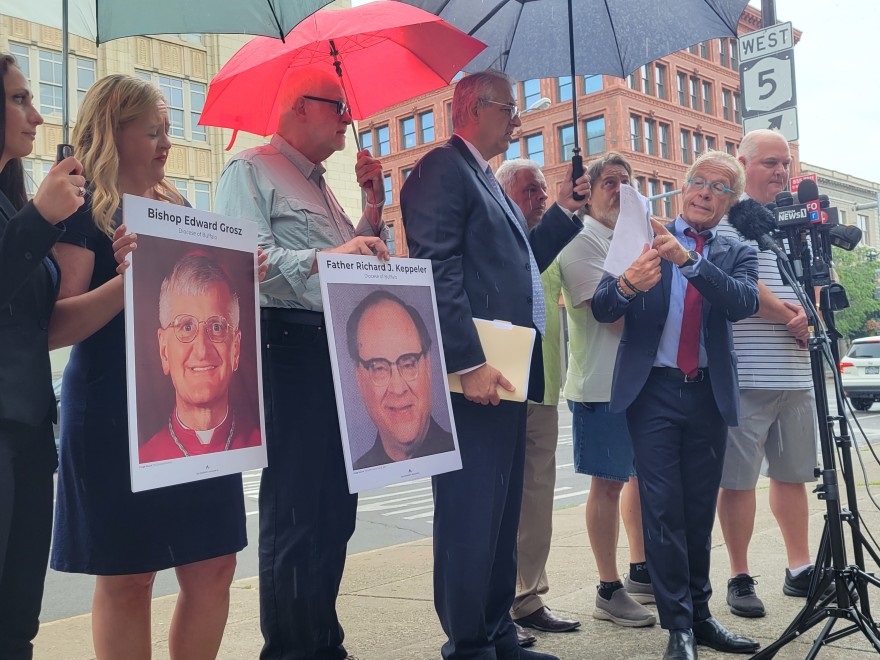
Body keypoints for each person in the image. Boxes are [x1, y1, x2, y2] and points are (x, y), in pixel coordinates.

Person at [50, 74, 248, 660]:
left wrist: (240, 276)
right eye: (153, 131)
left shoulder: (180, 206)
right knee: (128, 575)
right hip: (112, 410)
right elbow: (57, 326)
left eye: (168, 131)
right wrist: (126, 283)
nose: (167, 144)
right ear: (114, 133)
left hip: (197, 409)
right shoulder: (79, 210)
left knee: (214, 563)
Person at [401, 69, 589, 660]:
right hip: (474, 377)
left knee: (500, 511)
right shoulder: (441, 170)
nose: (518, 119)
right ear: (473, 107)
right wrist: (468, 362)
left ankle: (496, 629)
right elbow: (439, 270)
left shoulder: (481, 176)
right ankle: (468, 640)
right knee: (470, 512)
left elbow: (519, 264)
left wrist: (561, 210)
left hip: (507, 373)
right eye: (510, 107)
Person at [213, 64, 389, 660]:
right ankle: (290, 648)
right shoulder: (250, 169)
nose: (347, 118)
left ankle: (322, 639)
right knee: (296, 509)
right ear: (298, 108)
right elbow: (245, 261)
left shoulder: (321, 185)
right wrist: (331, 254)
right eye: (336, 106)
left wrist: (370, 214)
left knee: (337, 507)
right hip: (287, 346)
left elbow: (343, 262)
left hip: (336, 348)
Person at [592, 150, 761, 660]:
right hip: (655, 393)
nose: (705, 191)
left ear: (730, 201)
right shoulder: (641, 235)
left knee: (695, 509)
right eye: (698, 181)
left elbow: (743, 302)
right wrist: (626, 284)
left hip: (707, 393)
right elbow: (603, 305)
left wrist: (688, 260)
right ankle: (679, 627)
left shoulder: (738, 249)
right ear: (683, 188)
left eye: (719, 186)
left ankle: (702, 616)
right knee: (662, 510)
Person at [0, 52, 86, 660]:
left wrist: (128, 279)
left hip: (30, 431)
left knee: (17, 624)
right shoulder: (25, 215)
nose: (36, 115)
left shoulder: (14, 202)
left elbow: (43, 323)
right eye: (18, 99)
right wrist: (38, 220)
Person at [715, 128, 821, 618]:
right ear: (743, 164)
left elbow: (815, 282)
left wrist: (811, 316)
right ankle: (739, 574)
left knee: (792, 475)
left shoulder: (792, 223)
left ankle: (799, 568)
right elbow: (743, 285)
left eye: (785, 163)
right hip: (747, 372)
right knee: (737, 481)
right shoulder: (726, 225)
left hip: (797, 374)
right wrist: (791, 317)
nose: (780, 172)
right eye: (770, 162)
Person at [556, 153, 656, 628]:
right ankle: (607, 586)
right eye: (609, 182)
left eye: (627, 182)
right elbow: (610, 313)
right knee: (608, 483)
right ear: (589, 192)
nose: (619, 189)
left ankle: (640, 570)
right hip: (601, 384)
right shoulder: (578, 244)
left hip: (641, 380)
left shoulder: (634, 239)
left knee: (637, 478)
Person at [495, 159, 580, 642]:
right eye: (531, 190)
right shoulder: (504, 239)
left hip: (544, 388)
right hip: (503, 388)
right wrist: (562, 215)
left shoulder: (550, 240)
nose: (542, 197)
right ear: (506, 193)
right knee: (502, 503)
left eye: (544, 190)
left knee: (537, 502)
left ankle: (528, 597)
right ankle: (496, 604)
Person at [139, 252, 261, 462]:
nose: (202, 351)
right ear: (164, 350)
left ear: (236, 348)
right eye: (186, 327)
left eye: (217, 327)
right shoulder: (146, 459)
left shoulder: (258, 446)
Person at [346, 289, 454, 469]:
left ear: (428, 365)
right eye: (378, 367)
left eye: (408, 363)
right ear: (358, 377)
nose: (398, 388)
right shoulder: (357, 471)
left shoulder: (465, 459)